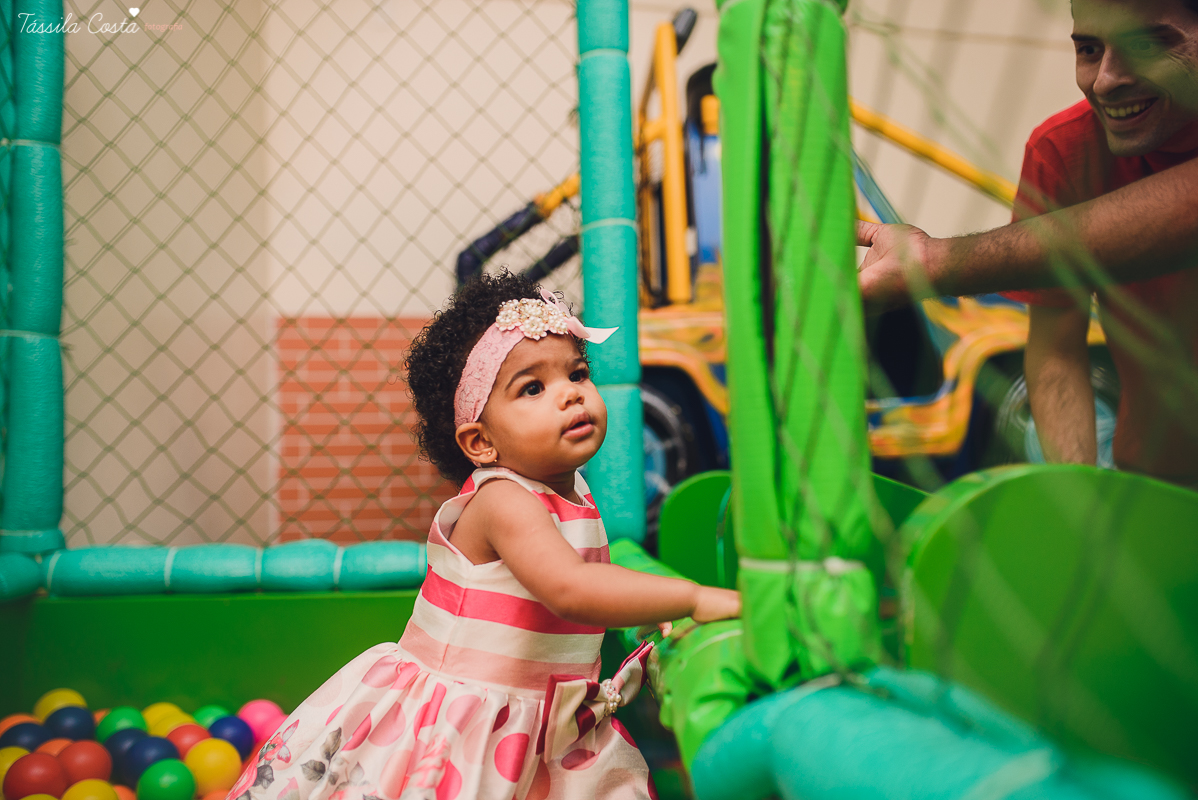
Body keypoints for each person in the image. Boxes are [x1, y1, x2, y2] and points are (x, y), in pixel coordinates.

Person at [228, 271, 740, 800]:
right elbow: (571, 588)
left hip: (543, 729)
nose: (569, 396)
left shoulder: (575, 493)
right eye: (533, 388)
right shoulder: (503, 501)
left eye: (578, 374)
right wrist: (693, 598)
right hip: (466, 725)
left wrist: (650, 603)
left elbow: (592, 581)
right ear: (481, 441)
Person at [860, 0, 1198, 486]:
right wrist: (1084, 492)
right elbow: (1056, 349)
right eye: (1088, 49)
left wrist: (934, 261)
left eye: (1145, 44)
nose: (1105, 80)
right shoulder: (1066, 149)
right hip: (1154, 483)